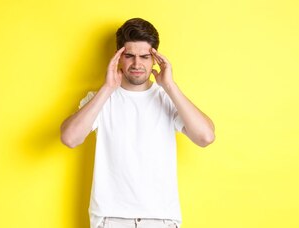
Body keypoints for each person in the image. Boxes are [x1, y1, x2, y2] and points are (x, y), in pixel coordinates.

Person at [60, 18, 215, 228]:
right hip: (110, 218)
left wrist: (170, 85)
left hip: (161, 218)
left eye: (144, 56)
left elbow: (205, 137)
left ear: (155, 59)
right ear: (118, 57)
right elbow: (70, 138)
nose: (136, 64)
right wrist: (107, 88)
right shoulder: (100, 99)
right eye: (129, 56)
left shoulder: (167, 97)